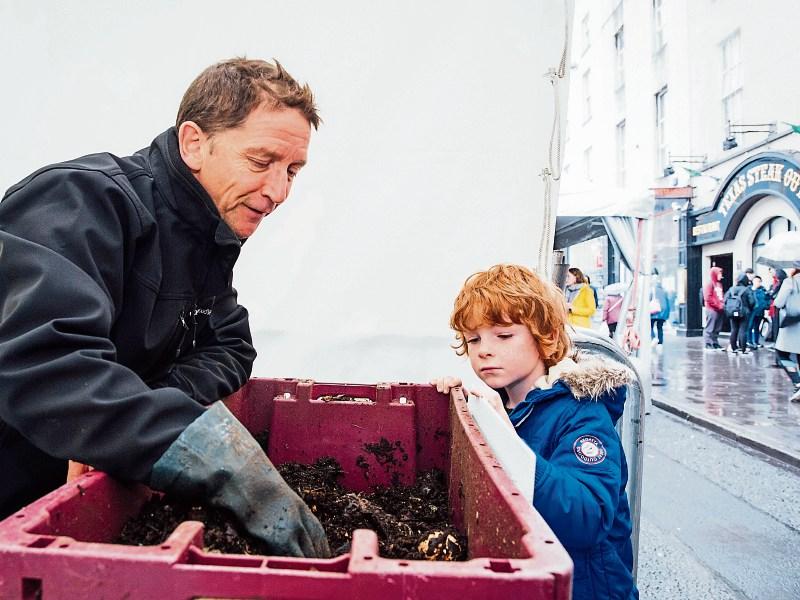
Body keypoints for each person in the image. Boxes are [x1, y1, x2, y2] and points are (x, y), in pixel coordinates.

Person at [0, 58, 329, 557]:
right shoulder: (82, 200)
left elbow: (231, 344)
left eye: (292, 170)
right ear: (194, 142)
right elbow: (45, 364)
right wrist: (190, 440)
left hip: (81, 513)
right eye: (262, 162)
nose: (279, 191)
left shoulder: (206, 236)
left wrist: (153, 403)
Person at [432, 265, 637, 600]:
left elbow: (587, 516)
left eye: (503, 335)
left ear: (548, 337)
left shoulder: (583, 414)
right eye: (473, 339)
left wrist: (503, 439)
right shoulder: (502, 406)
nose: (484, 349)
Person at [773, 268, 800, 402]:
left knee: (781, 353)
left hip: (793, 324)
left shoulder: (790, 282)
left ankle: (797, 382)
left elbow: (779, 302)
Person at [723, 273, 755, 354]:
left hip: (732, 312)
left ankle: (734, 348)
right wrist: (749, 309)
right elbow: (752, 302)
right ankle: (743, 348)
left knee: (734, 329)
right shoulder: (747, 290)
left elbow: (725, 300)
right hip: (744, 312)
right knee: (743, 330)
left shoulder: (731, 289)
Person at [703, 266, 725, 350]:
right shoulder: (709, 283)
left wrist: (722, 304)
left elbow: (721, 296)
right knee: (710, 327)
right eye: (719, 273)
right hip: (712, 309)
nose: (721, 275)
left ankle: (715, 343)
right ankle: (708, 344)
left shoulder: (719, 284)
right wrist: (718, 305)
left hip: (719, 309)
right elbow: (707, 297)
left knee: (717, 327)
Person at [747, 275, 770, 349]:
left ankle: (756, 342)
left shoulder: (763, 290)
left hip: (760, 312)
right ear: (753, 281)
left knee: (757, 327)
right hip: (751, 312)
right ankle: (749, 341)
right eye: (756, 281)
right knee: (749, 326)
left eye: (759, 281)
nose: (758, 283)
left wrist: (766, 306)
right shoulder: (749, 290)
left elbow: (767, 299)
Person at [649, 277, 670, 348]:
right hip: (662, 313)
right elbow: (668, 303)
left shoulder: (652, 290)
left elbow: (649, 301)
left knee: (650, 326)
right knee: (660, 327)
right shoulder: (665, 291)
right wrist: (667, 315)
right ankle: (660, 342)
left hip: (653, 312)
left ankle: (653, 338)